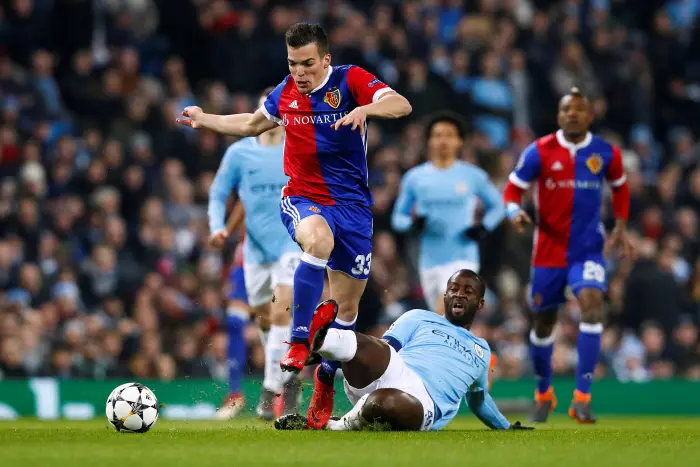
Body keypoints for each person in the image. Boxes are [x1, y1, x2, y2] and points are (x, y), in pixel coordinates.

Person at [177, 22, 412, 429]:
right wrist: (205, 119)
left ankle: (324, 381)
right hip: (303, 197)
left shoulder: (351, 80)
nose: (299, 72)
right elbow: (251, 124)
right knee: (316, 242)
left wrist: (366, 109)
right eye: (292, 63)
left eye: (306, 63)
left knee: (346, 308)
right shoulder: (285, 93)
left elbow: (401, 105)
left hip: (354, 208)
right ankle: (300, 340)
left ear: (325, 60)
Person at [502, 87, 632, 423]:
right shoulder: (540, 151)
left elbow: (620, 186)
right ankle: (544, 392)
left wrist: (620, 226)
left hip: (587, 249)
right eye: (566, 109)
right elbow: (513, 187)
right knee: (544, 321)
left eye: (578, 109)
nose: (572, 113)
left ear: (589, 115)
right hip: (548, 253)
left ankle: (582, 397)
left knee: (591, 304)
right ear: (559, 116)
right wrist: (514, 210)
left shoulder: (606, 152)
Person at [274, 269, 533, 432]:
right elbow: (385, 350)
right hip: (397, 371)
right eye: (453, 289)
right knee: (365, 344)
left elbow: (479, 401)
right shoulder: (419, 317)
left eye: (468, 291)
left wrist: (506, 427)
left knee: (385, 402)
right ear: (444, 296)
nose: (459, 295)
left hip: (424, 404)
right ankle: (317, 343)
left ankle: (330, 424)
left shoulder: (482, 350)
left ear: (481, 303)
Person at [208, 88, 302, 420]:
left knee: (281, 314)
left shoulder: (300, 148)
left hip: (292, 244)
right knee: (264, 319)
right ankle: (287, 381)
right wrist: (220, 227)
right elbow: (222, 193)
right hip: (254, 251)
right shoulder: (240, 154)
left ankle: (270, 386)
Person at [391, 111, 505, 314]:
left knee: (447, 307)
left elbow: (498, 206)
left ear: (459, 141)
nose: (443, 140)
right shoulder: (415, 178)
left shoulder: (472, 175)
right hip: (429, 259)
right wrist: (413, 225)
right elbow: (398, 217)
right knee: (442, 317)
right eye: (438, 135)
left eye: (450, 135)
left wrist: (483, 228)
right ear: (429, 141)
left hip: (463, 254)